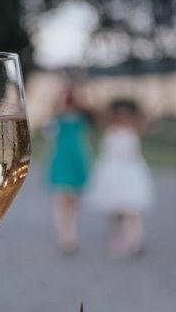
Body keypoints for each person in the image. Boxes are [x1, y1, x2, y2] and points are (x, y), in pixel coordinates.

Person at [85, 99, 154, 258]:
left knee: (132, 210)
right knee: (114, 212)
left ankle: (135, 241)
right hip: (112, 174)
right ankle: (116, 242)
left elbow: (145, 120)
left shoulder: (134, 130)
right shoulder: (110, 129)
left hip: (130, 173)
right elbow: (99, 113)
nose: (123, 116)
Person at [46, 84, 92, 254]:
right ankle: (65, 237)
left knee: (70, 202)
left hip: (73, 160)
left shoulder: (78, 118)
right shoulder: (57, 118)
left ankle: (69, 236)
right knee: (63, 202)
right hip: (64, 160)